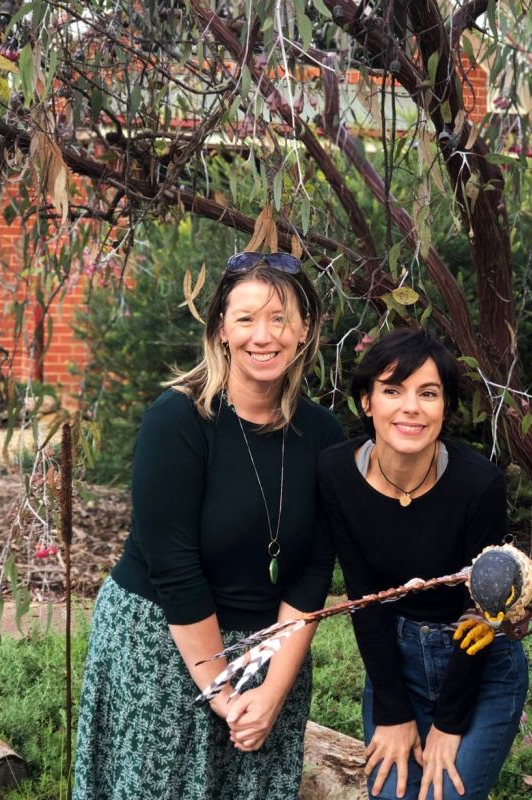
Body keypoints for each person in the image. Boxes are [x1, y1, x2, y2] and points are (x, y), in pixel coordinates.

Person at [73, 251, 344, 800]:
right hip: (164, 644)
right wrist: (223, 693)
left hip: (271, 655)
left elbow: (314, 568)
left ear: (305, 329)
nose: (262, 336)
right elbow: (173, 565)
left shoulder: (322, 433)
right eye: (245, 318)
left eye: (279, 318)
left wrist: (271, 691)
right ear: (221, 327)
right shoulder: (176, 420)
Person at [317, 328, 528, 800]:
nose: (411, 407)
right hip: (397, 659)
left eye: (428, 393)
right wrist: (393, 711)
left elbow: (487, 609)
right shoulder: (336, 473)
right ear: (367, 401)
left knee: (444, 794)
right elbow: (363, 597)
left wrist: (449, 723)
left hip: (477, 661)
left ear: (445, 407)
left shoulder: (479, 485)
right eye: (392, 390)